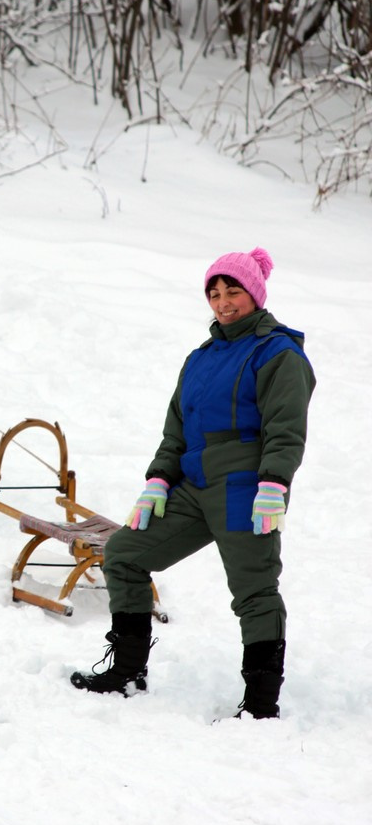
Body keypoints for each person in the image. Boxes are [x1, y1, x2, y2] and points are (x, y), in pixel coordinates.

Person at [71, 248, 315, 718]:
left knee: (254, 589)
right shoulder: (200, 358)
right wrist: (159, 479)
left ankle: (261, 705)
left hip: (245, 486)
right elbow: (177, 428)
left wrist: (274, 483)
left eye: (233, 291)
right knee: (123, 553)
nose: (223, 302)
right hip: (194, 485)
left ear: (255, 294)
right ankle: (127, 671)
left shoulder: (278, 353)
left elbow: (286, 429)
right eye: (215, 293)